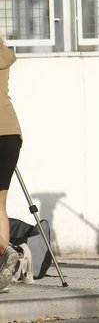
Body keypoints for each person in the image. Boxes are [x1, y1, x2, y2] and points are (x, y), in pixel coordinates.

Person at [0, 34, 20, 290]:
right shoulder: (5, 54)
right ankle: (2, 273)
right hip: (11, 134)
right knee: (0, 205)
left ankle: (5, 249)